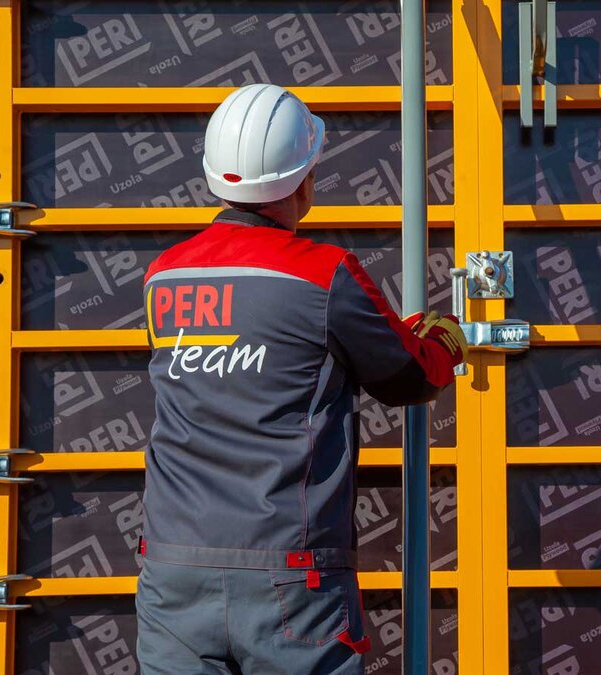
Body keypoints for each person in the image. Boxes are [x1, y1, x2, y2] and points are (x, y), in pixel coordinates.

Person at [135, 83, 466, 674]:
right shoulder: (324, 274)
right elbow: (409, 377)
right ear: (304, 180)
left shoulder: (163, 275)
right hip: (289, 575)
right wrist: (442, 339)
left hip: (172, 568)